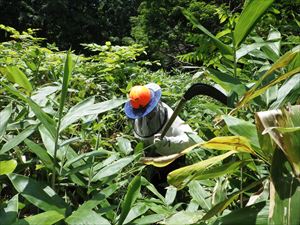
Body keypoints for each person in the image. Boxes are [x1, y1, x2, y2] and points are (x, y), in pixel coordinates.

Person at [124, 83, 196, 156]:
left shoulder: (169, 116)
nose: (148, 114)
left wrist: (167, 142)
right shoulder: (138, 117)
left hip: (170, 157)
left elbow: (191, 140)